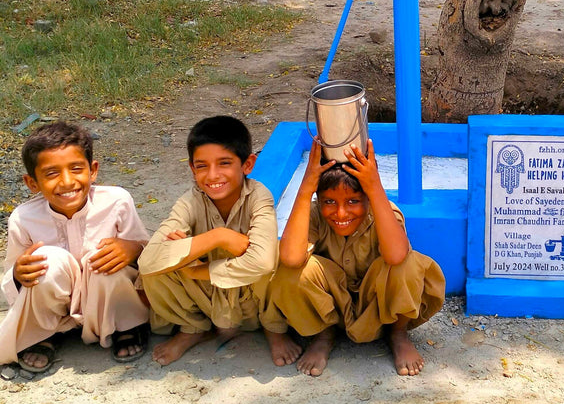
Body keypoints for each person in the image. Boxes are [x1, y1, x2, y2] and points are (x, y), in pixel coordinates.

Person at [261, 139, 445, 377]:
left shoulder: (383, 210)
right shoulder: (314, 215)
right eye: (329, 201)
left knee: (407, 264)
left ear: (368, 197)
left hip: (378, 309)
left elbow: (397, 255)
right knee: (289, 269)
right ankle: (323, 335)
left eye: (353, 201)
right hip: (333, 309)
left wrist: (374, 187)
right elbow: (291, 258)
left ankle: (398, 334)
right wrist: (306, 188)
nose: (340, 213)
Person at [0, 122, 150, 375]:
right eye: (51, 173)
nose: (67, 182)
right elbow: (11, 279)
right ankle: (47, 332)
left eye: (76, 169)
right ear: (32, 182)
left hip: (107, 301)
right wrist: (18, 273)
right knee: (46, 260)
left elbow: (148, 253)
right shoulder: (22, 219)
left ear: (93, 170)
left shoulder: (117, 202)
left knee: (103, 259)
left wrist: (133, 249)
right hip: (56, 305)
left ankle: (125, 326)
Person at [138, 116, 277, 366]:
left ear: (248, 164)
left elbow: (263, 262)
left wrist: (196, 269)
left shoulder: (259, 197)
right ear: (192, 168)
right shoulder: (190, 202)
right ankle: (194, 329)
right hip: (205, 299)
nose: (212, 176)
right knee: (153, 271)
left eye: (224, 163)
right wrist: (218, 237)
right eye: (202, 166)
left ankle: (274, 330)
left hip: (249, 299)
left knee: (276, 259)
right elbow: (148, 262)